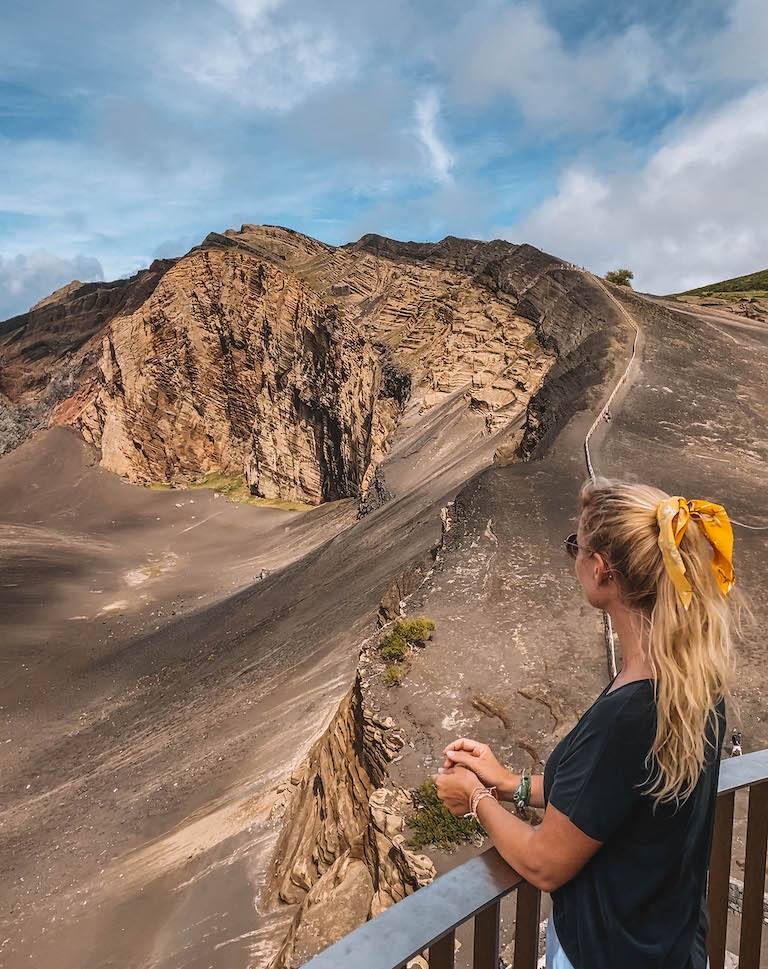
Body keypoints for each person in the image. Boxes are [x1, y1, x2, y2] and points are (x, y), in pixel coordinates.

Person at [433, 479, 741, 969]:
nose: (575, 558)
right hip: (673, 948)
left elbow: (544, 864)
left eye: (575, 546)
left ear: (600, 569)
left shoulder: (632, 712)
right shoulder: (693, 682)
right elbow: (609, 797)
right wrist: (509, 783)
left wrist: (474, 798)